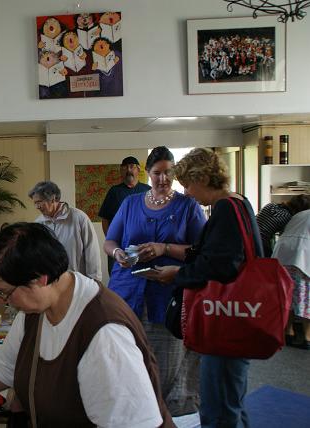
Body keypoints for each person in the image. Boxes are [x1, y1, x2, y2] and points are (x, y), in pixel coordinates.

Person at [0, 222, 174, 427]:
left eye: (6, 293)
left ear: (39, 278)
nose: (6, 302)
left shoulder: (104, 333)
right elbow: (3, 366)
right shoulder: (37, 308)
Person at [146, 148, 263, 428]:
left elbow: (220, 265)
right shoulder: (240, 202)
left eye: (188, 184)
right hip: (239, 318)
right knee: (232, 402)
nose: (187, 192)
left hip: (224, 322)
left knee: (217, 406)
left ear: (203, 178)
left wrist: (178, 274)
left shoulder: (225, 208)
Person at [102, 146, 206, 416]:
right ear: (147, 173)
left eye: (168, 172)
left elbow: (201, 251)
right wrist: (118, 253)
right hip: (127, 292)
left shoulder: (188, 206)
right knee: (124, 359)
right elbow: (110, 241)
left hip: (166, 296)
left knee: (163, 367)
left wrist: (164, 248)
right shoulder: (131, 203)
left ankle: (160, 416)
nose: (163, 179)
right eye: (157, 173)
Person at [28, 181, 102, 283]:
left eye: (39, 202)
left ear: (53, 199)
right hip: (50, 283)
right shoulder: (38, 224)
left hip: (78, 282)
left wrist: (95, 280)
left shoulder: (79, 218)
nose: (37, 207)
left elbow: (92, 250)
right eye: (35, 203)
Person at [99, 156, 152, 274]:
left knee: (142, 276)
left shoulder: (148, 191)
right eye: (125, 167)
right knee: (117, 276)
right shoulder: (114, 192)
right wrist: (111, 240)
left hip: (142, 246)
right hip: (118, 247)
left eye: (132, 167)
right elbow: (105, 218)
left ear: (138, 169)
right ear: (121, 171)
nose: (128, 170)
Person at [273, 209, 310, 350]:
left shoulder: (301, 213)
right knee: (305, 296)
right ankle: (307, 336)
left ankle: (287, 332)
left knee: (288, 293)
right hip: (303, 254)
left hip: (284, 253)